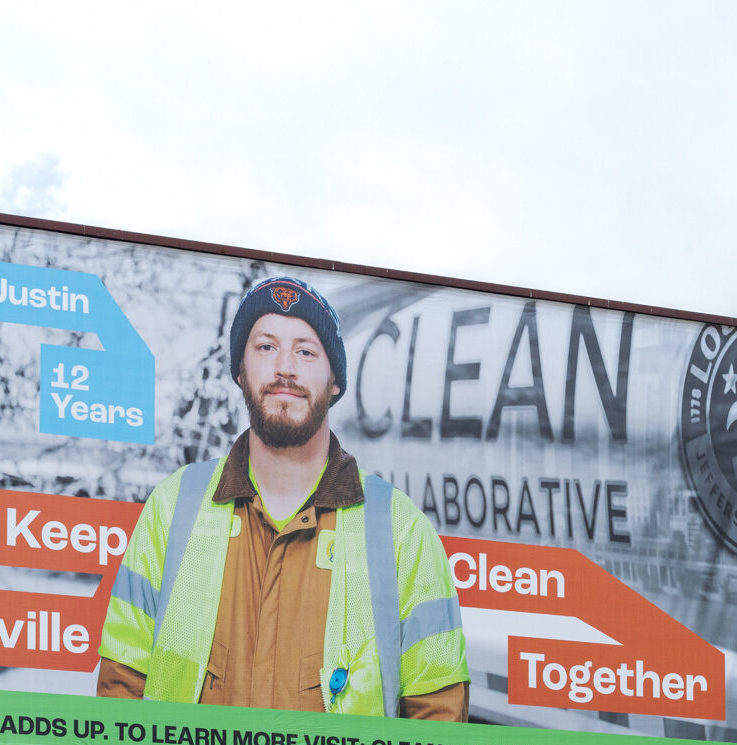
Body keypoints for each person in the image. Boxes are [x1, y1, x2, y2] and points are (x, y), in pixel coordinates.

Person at [97, 276, 469, 720]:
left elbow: (439, 719)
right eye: (266, 347)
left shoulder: (401, 529)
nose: (285, 368)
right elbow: (119, 694)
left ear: (334, 381)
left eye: (306, 351)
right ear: (240, 371)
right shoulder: (173, 506)